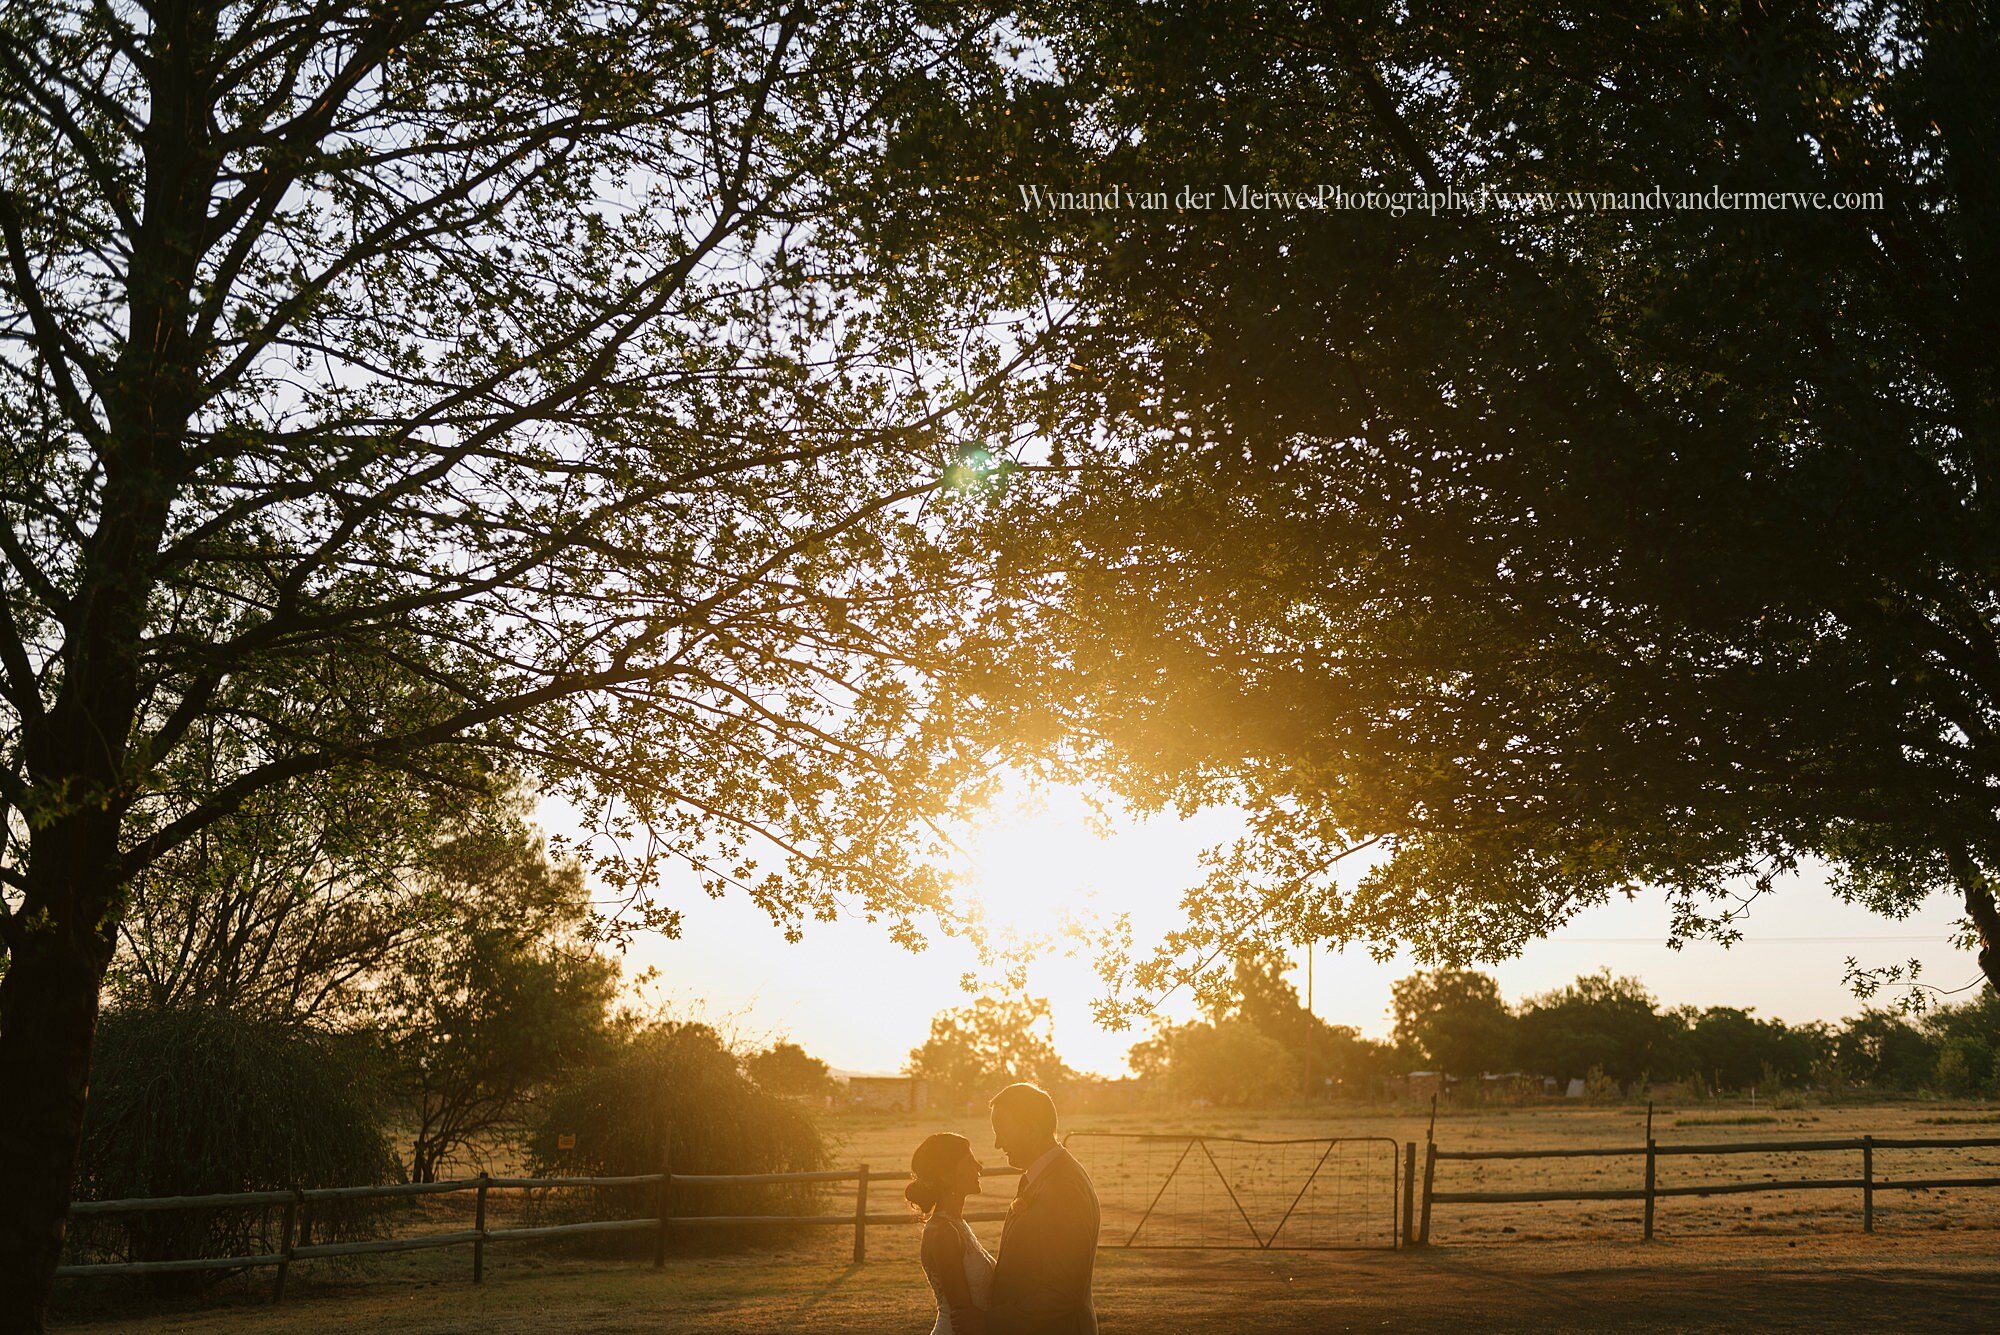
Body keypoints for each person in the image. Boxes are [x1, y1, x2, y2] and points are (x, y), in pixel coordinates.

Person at [986, 1083, 1099, 1335]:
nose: (997, 1143)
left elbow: (1062, 1292)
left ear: (1031, 1129)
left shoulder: (1063, 1188)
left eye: (1002, 1131)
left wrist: (990, 1321)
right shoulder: (1043, 1176)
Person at [908, 1131, 994, 1335]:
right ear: (947, 1175)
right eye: (970, 1161)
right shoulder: (942, 1233)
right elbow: (963, 1315)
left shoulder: (957, 1224)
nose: (979, 1167)